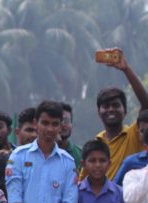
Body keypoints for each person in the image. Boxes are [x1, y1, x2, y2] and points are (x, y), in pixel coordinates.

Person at [87, 48, 148, 180]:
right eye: (106, 106)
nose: (111, 110)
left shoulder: (134, 134)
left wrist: (126, 70)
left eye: (116, 105)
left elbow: (146, 104)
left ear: (125, 110)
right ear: (99, 112)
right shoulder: (96, 143)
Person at [114, 110, 148, 186]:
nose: (146, 134)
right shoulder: (130, 162)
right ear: (138, 133)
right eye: (142, 131)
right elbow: (115, 190)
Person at [59, 103, 82, 169]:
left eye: (66, 121)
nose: (63, 125)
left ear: (72, 124)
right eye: (59, 121)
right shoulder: (43, 152)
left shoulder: (81, 154)